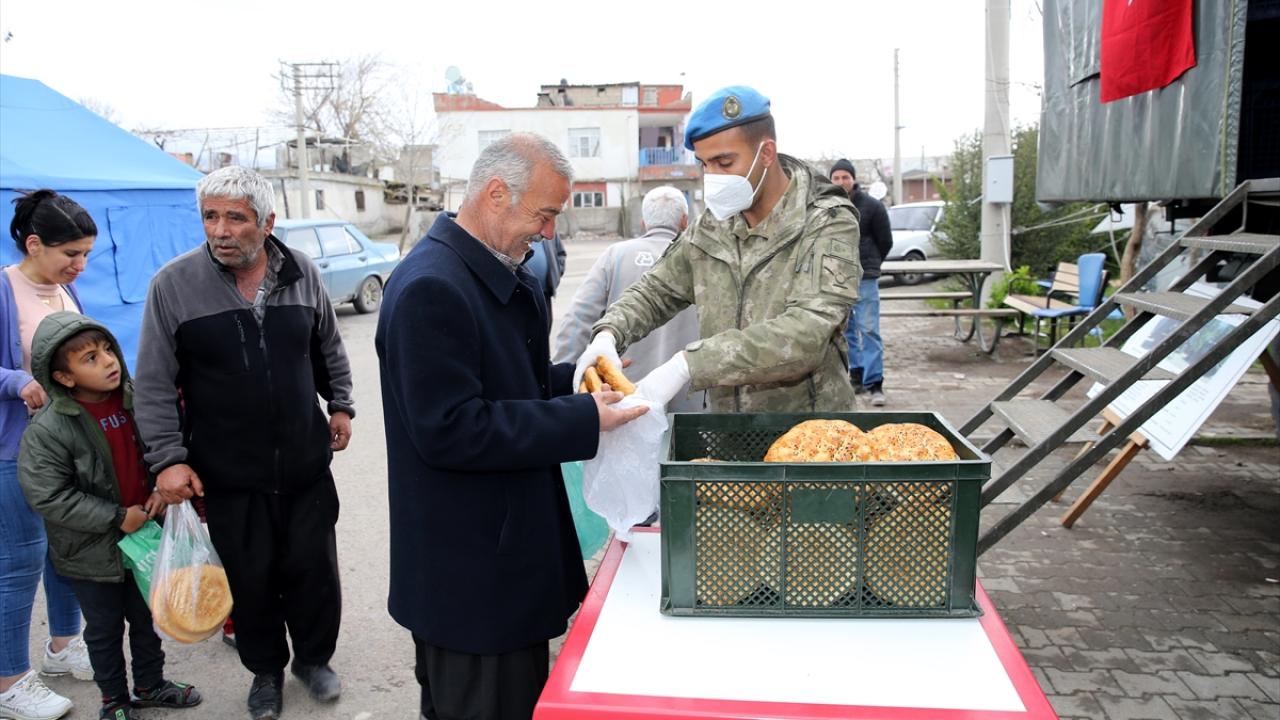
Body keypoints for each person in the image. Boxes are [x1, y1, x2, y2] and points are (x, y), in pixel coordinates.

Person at [376, 132, 646, 720]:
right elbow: (453, 427)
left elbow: (504, 382)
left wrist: (575, 380)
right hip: (473, 577)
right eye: (544, 214)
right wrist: (583, 418)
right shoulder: (432, 287)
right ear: (496, 193)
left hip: (504, 560)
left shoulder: (489, 272)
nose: (549, 232)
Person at [133, 166, 355, 720]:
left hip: (305, 464)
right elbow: (154, 381)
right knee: (250, 581)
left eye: (235, 217)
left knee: (314, 573)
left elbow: (327, 345)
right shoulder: (173, 285)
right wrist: (167, 460)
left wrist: (341, 403)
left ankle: (314, 661)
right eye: (210, 216)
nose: (220, 230)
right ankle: (265, 673)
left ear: (267, 222)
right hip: (228, 474)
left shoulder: (301, 272)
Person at [577, 86, 862, 413]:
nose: (712, 176)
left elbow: (806, 334)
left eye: (724, 162)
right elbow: (657, 290)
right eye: (704, 164)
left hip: (810, 429)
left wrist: (689, 364)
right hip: (728, 425)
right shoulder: (713, 225)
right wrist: (609, 332)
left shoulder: (826, 222)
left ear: (766, 153)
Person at [18, 313, 202, 720]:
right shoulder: (49, 429)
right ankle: (114, 701)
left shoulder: (135, 400)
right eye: (90, 358)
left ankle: (150, 684)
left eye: (107, 350)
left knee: (148, 615)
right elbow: (48, 495)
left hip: (143, 535)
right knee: (104, 629)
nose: (107, 361)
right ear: (64, 377)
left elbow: (160, 448)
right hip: (91, 550)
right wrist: (116, 517)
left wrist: (160, 489)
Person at [0, 190, 95, 720]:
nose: (80, 265)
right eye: (71, 254)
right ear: (34, 244)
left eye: (86, 255)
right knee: (20, 560)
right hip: (12, 450)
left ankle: (63, 646)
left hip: (64, 448)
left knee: (65, 551)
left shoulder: (65, 290)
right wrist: (17, 381)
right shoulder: (3, 288)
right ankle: (8, 682)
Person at [553, 186, 704, 412]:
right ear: (684, 221)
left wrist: (563, 375)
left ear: (644, 222)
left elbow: (579, 319)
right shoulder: (702, 259)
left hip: (624, 392)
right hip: (689, 393)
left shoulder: (616, 255)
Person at [829, 159, 892, 406]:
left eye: (845, 177)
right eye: (836, 177)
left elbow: (885, 241)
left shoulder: (872, 206)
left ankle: (875, 383)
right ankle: (856, 377)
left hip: (865, 277)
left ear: (853, 179)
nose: (841, 181)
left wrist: (870, 263)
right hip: (837, 279)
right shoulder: (828, 206)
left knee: (869, 330)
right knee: (846, 331)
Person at [525, 232, 567, 332]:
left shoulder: (549, 230)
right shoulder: (521, 229)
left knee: (545, 327)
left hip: (545, 292)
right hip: (523, 292)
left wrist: (556, 273)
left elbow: (561, 254)